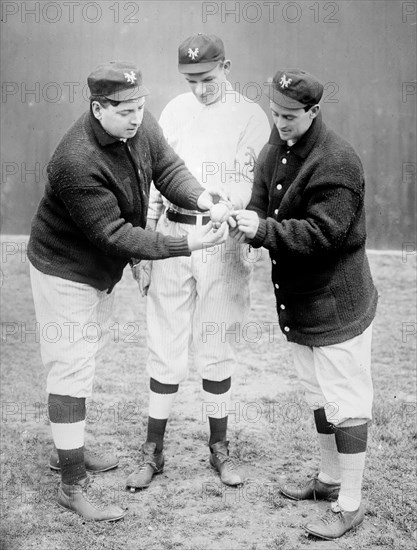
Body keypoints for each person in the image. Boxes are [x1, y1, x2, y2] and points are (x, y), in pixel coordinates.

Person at [27, 60, 229, 522]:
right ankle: (71, 484)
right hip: (66, 270)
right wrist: (185, 243)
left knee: (83, 360)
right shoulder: (75, 159)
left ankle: (67, 451)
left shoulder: (137, 123)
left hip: (97, 269)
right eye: (125, 110)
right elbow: (116, 234)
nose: (137, 118)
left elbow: (169, 169)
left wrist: (203, 199)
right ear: (98, 109)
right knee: (70, 370)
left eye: (141, 106)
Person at [233, 68, 378, 540]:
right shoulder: (276, 147)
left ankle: (350, 503)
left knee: (346, 400)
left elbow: (323, 235)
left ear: (314, 111)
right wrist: (241, 218)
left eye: (291, 116)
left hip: (337, 304)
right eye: (275, 114)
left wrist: (260, 231)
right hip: (298, 303)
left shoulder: (337, 161)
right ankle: (329, 478)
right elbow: (260, 204)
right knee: (318, 395)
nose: (280, 123)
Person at [126, 34, 270, 490]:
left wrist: (233, 213)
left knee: (216, 342)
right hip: (171, 232)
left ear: (226, 66)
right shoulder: (172, 111)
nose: (200, 88)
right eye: (191, 80)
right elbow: (153, 181)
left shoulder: (250, 116)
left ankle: (219, 449)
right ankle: (153, 452)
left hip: (222, 238)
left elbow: (253, 183)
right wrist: (145, 245)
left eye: (207, 78)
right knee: (164, 344)